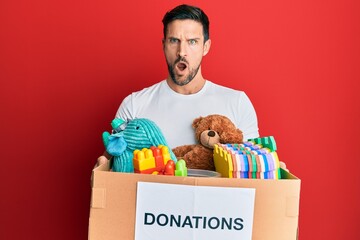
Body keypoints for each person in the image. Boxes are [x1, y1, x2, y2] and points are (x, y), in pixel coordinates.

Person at [98, 4, 259, 165]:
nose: (182, 51)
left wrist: (274, 170)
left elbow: (256, 169)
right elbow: (112, 168)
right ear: (164, 45)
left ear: (206, 47)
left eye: (192, 42)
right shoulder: (134, 105)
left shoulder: (237, 102)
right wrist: (101, 169)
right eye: (174, 40)